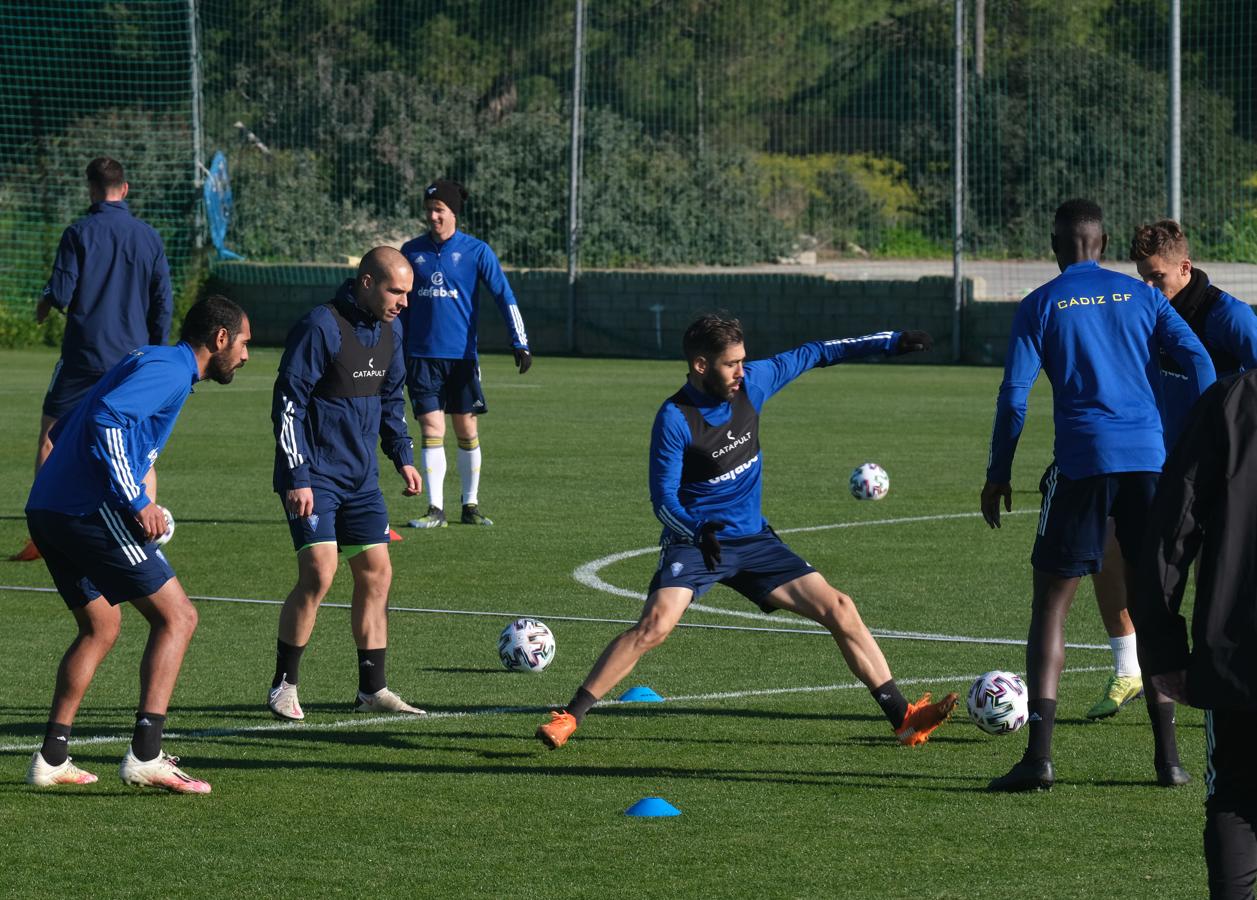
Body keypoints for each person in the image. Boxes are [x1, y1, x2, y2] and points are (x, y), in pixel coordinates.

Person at [536, 313, 959, 750]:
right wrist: (698, 532)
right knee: (655, 627)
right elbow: (663, 502)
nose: (741, 371)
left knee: (839, 606)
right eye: (730, 364)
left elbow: (816, 352)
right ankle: (570, 716)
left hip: (754, 541)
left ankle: (904, 717)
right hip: (698, 542)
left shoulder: (754, 382)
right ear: (701, 365)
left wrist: (889, 341)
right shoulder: (675, 418)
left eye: (743, 361)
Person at [981, 199, 1216, 792]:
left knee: (1052, 605)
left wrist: (998, 472)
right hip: (1149, 465)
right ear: (1104, 243)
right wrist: (1204, 435)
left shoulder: (1041, 304)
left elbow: (1014, 397)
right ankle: (1169, 762)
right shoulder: (1139, 297)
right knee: (1154, 606)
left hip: (1082, 465)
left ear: (1057, 247)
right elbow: (1197, 357)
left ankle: (1038, 760)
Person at [23, 295, 251, 794]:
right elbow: (106, 419)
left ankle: (51, 757)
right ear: (219, 339)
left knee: (101, 626)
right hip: (87, 510)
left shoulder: (148, 358)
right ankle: (147, 754)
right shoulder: (169, 371)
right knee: (178, 617)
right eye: (244, 343)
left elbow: (66, 427)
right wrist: (134, 500)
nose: (246, 354)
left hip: (47, 509)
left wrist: (140, 484)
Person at [1084, 219, 1257, 722]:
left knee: (1213, 576)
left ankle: (1216, 679)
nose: (1147, 286)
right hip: (1157, 462)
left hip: (1220, 473)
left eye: (1157, 276)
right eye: (1141, 276)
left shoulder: (1231, 319)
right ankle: (1129, 664)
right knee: (1110, 551)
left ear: (1186, 266)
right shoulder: (1146, 311)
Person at [267, 247, 425, 721]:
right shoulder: (322, 325)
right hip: (314, 476)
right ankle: (283, 685)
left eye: (407, 293)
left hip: (361, 481)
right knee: (319, 572)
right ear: (366, 283)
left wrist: (403, 457)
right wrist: (297, 476)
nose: (403, 302)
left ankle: (372, 690)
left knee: (377, 573)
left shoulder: (391, 332)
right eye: (396, 291)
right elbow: (288, 403)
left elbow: (391, 401)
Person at [1131, 370, 1257, 900]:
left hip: (1238, 649)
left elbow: (1170, 531)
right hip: (1237, 651)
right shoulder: (1231, 399)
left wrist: (1161, 646)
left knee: (1237, 797)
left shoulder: (1232, 400)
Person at [13, 156, 173, 562]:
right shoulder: (148, 237)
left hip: (84, 354)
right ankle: (141, 533)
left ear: (90, 188)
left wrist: (47, 300)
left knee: (52, 436)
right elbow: (162, 303)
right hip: (133, 359)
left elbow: (63, 293)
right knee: (138, 446)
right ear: (126, 188)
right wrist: (157, 354)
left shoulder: (78, 233)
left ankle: (45, 534)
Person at [399, 179, 531, 529]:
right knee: (431, 426)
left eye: (439, 210)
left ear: (453, 212)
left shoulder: (477, 252)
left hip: (462, 358)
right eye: (429, 210)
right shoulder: (411, 251)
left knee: (465, 429)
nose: (433, 217)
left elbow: (504, 295)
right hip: (420, 356)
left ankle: (469, 505)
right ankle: (435, 510)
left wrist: (520, 341)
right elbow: (398, 303)